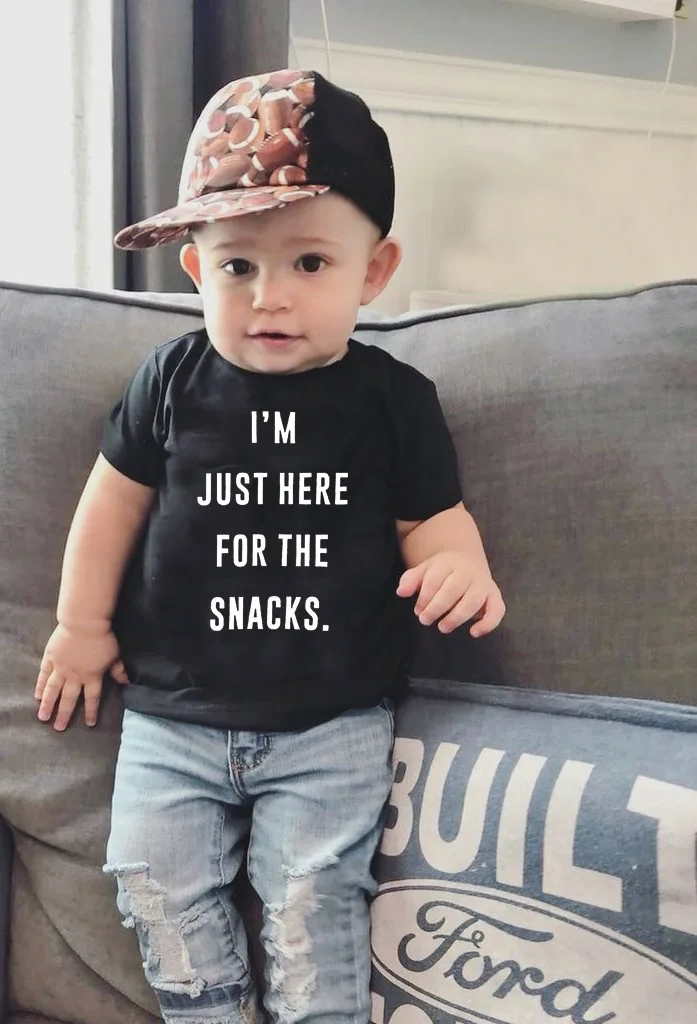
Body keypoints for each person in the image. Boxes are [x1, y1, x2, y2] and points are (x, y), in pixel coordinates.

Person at [34, 67, 505, 1024]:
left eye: (310, 263)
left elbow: (431, 522)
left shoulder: (393, 400)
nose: (270, 298)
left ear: (373, 271)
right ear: (197, 270)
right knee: (152, 881)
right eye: (238, 267)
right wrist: (80, 627)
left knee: (311, 899)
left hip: (333, 723)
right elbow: (109, 507)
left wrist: (459, 567)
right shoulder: (170, 380)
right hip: (170, 719)